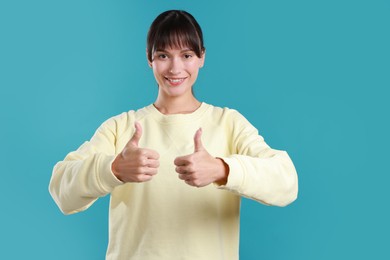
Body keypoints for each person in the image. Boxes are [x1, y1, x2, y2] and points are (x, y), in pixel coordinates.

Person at [49, 10, 298, 260]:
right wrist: (112, 169)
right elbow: (61, 191)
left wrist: (222, 170)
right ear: (149, 59)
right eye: (163, 55)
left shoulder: (228, 123)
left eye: (187, 55)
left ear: (202, 57)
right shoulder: (121, 127)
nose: (175, 68)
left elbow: (287, 182)